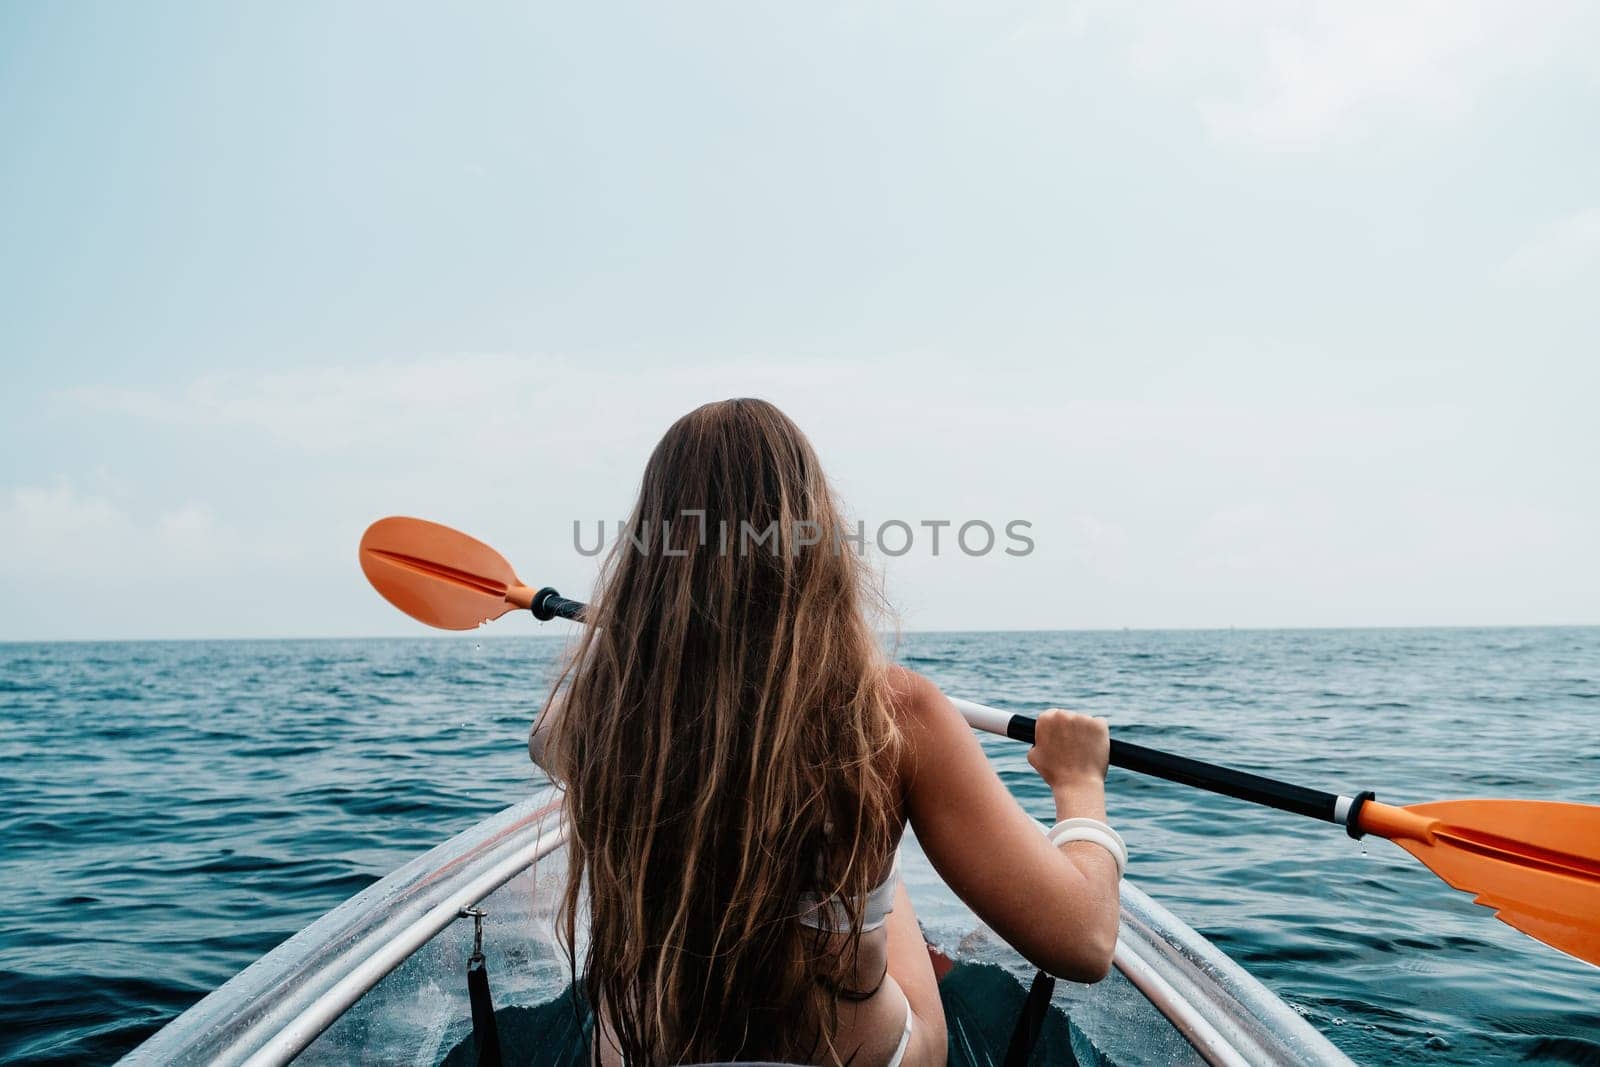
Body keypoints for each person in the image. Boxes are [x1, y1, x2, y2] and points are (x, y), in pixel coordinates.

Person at [530, 398, 1121, 1066]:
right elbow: (1087, 942)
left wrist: (646, 649)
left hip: (648, 1054)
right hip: (857, 1058)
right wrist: (1079, 783)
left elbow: (547, 740)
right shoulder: (893, 711)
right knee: (870, 869)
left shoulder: (598, 708)